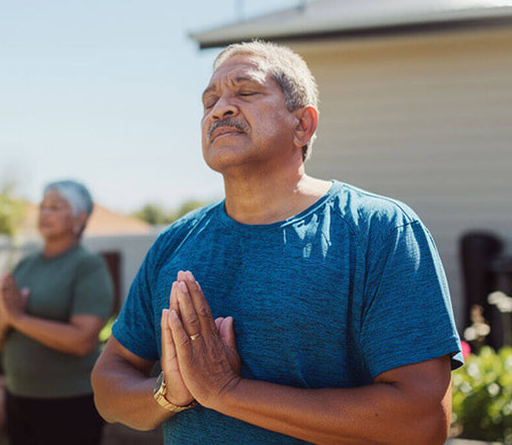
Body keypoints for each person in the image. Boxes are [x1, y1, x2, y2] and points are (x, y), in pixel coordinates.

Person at [90, 41, 463, 444]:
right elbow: (108, 384)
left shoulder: (379, 230)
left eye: (246, 92)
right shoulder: (174, 242)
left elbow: (422, 422)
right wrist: (171, 394)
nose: (220, 108)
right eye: (209, 101)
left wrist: (226, 392)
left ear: (302, 125)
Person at [0, 180, 114, 445]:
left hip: (69, 404)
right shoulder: (25, 266)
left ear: (80, 217)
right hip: (18, 398)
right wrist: (5, 322)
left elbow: (82, 340)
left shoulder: (88, 266)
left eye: (55, 207)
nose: (44, 212)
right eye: (43, 206)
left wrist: (19, 319)